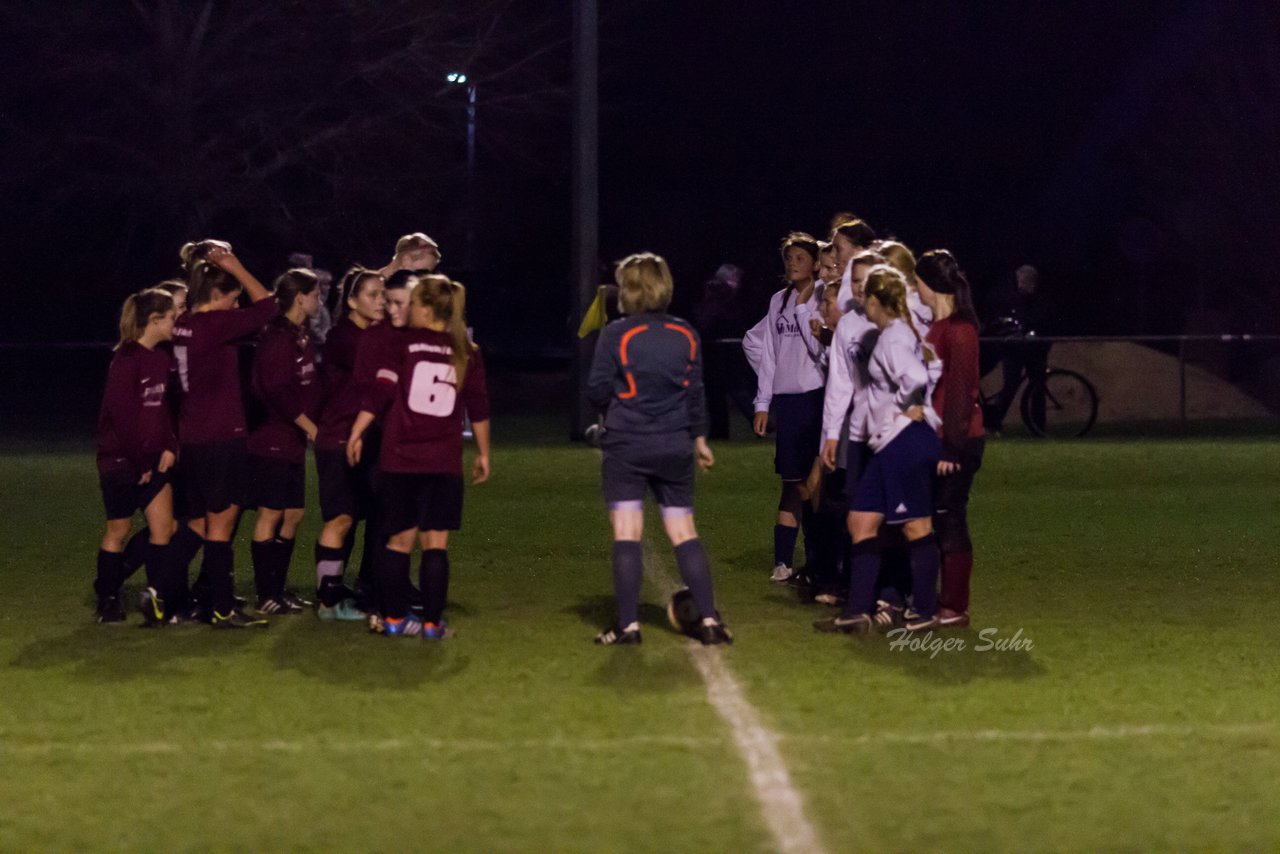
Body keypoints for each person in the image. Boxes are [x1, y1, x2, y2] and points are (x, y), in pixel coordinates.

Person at [586, 252, 731, 645]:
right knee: (684, 532)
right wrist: (700, 438)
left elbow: (596, 388)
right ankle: (710, 622)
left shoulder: (617, 333)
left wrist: (615, 405)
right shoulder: (686, 333)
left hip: (628, 444)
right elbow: (695, 393)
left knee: (627, 533)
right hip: (675, 443)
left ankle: (629, 626)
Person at [347, 273, 491, 639]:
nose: (406, 309)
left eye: (412, 303)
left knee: (397, 543)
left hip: (400, 461)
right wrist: (484, 453)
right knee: (436, 545)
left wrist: (358, 429)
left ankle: (394, 619)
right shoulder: (466, 352)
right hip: (442, 463)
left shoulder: (403, 346)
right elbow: (479, 407)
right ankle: (432, 623)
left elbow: (381, 391)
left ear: (426, 309)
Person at [814, 265, 941, 635]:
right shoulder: (895, 333)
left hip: (903, 442)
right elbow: (928, 370)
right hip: (885, 445)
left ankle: (924, 611)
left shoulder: (893, 337)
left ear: (874, 299)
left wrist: (905, 406)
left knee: (916, 526)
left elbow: (915, 377)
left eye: (863, 296)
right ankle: (857, 611)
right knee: (861, 521)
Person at [173, 246, 277, 628]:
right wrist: (236, 265)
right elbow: (268, 306)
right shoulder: (213, 324)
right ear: (216, 296)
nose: (237, 307)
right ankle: (221, 607)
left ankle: (165, 591)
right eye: (232, 299)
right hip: (220, 437)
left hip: (194, 437)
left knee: (199, 524)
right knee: (221, 525)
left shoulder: (184, 322)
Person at [743, 232, 826, 584]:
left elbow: (818, 348)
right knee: (792, 484)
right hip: (789, 404)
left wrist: (806, 308)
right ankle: (782, 562)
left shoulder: (823, 297)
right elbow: (770, 355)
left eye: (800, 258)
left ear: (816, 264)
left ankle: (819, 559)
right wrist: (763, 402)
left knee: (816, 484)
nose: (792, 264)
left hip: (816, 399)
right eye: (788, 258)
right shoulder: (778, 300)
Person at [94, 288, 180, 625]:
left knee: (164, 527)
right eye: (173, 317)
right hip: (121, 461)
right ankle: (108, 598)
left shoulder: (161, 359)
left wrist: (170, 446)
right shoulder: (125, 359)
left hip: (152, 461)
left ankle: (155, 599)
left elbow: (162, 412)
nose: (178, 322)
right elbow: (122, 418)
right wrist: (141, 462)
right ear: (155, 320)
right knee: (119, 529)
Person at [246, 269, 322, 615]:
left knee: (294, 513)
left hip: (290, 440)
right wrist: (311, 426)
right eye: (316, 295)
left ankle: (279, 588)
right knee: (271, 512)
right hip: (271, 438)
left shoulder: (300, 334)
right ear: (301, 298)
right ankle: (267, 595)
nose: (320, 301)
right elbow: (277, 390)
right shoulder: (276, 338)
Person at [312, 267, 385, 620]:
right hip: (338, 438)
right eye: (372, 295)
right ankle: (327, 602)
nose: (381, 301)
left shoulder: (365, 334)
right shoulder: (345, 337)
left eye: (383, 294)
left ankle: (352, 590)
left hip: (360, 439)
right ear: (352, 302)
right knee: (340, 519)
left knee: (359, 517)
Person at [916, 250, 985, 628]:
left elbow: (960, 394)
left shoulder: (959, 331)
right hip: (937, 438)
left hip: (955, 441)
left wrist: (951, 447)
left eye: (917, 281)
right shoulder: (938, 328)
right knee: (933, 519)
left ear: (930, 284)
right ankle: (930, 598)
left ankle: (954, 606)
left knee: (950, 519)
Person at [982, 263, 1050, 432]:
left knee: (1037, 386)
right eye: (1019, 280)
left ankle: (1038, 426)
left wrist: (1031, 333)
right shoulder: (1014, 299)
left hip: (1035, 351)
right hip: (1015, 350)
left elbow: (1041, 321)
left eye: (1024, 281)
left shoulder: (1039, 300)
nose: (1021, 284)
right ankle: (994, 421)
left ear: (1032, 282)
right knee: (1011, 386)